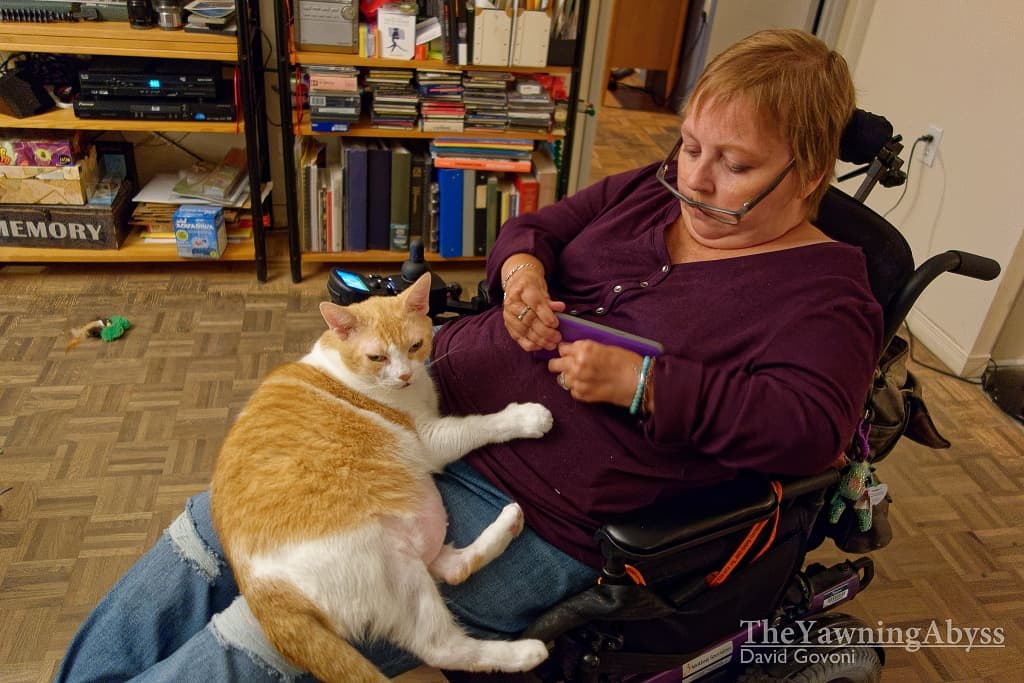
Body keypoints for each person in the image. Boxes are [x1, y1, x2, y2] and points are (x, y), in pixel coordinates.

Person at [56, 28, 882, 682]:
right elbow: (540, 228)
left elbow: (812, 430)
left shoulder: (828, 296)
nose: (693, 178)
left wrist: (649, 385)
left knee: (275, 619)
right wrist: (520, 268)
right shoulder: (653, 187)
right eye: (691, 145)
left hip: (531, 506)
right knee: (214, 528)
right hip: (421, 418)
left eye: (733, 165)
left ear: (807, 174)